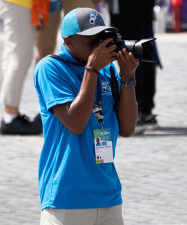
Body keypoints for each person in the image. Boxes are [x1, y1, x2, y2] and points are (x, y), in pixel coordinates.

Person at [34, 8, 138, 225]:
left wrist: (127, 79)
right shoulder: (51, 68)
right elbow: (75, 123)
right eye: (92, 42)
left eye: (102, 39)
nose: (100, 47)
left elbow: (127, 128)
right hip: (67, 197)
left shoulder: (107, 70)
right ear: (69, 42)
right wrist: (91, 70)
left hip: (108, 195)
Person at [0, 0, 49, 135]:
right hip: (19, 3)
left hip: (14, 3)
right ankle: (10, 116)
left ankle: (10, 114)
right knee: (19, 57)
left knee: (12, 55)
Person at [109, 0, 160, 134]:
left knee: (128, 51)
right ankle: (145, 111)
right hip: (143, 7)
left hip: (126, 7)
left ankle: (135, 113)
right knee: (142, 49)